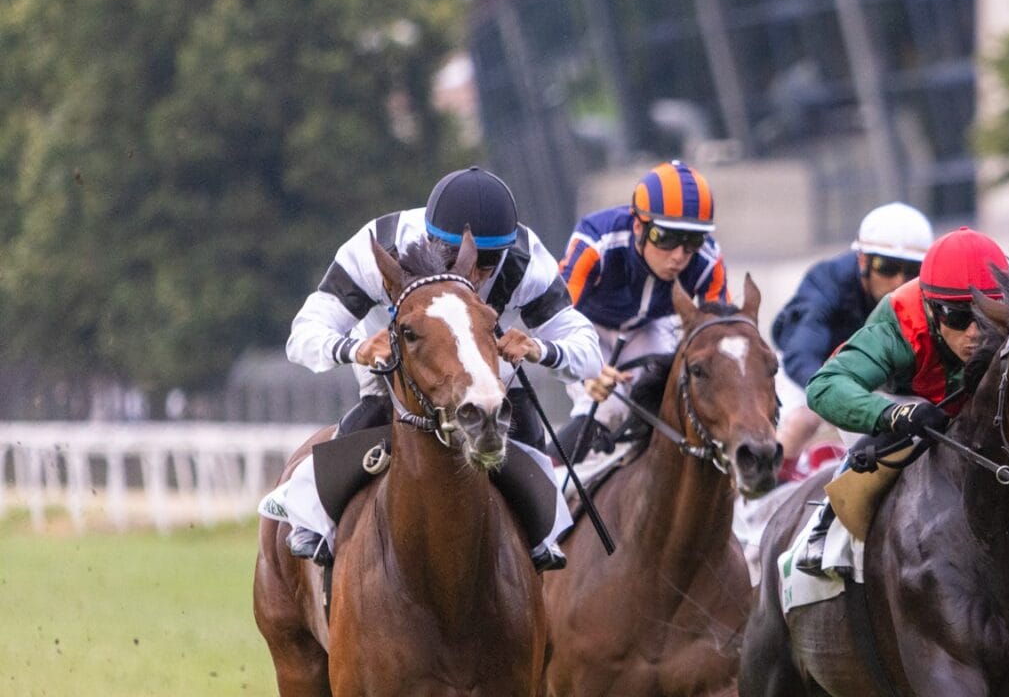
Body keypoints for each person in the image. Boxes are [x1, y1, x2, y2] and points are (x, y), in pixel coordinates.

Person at [283, 165, 603, 569]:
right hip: (396, 360)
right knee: (373, 419)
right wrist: (355, 349)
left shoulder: (526, 259)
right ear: (434, 240)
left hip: (485, 370)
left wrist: (540, 348)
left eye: (491, 260)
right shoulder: (378, 247)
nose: (481, 271)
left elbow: (588, 351)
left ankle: (542, 535)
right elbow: (303, 334)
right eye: (467, 257)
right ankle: (311, 516)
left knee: (527, 435)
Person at [554, 160, 728, 454]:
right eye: (666, 238)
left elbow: (721, 336)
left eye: (693, 240)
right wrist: (586, 372)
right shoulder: (596, 240)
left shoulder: (709, 261)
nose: (678, 256)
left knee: (671, 402)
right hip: (586, 326)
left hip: (648, 327)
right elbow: (555, 316)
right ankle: (554, 478)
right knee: (605, 409)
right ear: (639, 225)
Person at [805, 227, 1009, 470]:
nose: (974, 333)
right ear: (931, 308)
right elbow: (823, 386)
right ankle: (835, 506)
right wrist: (896, 414)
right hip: (896, 405)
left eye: (986, 315)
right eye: (957, 316)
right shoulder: (900, 326)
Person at [769, 201, 934, 473]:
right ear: (863, 261)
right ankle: (764, 491)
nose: (899, 282)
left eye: (912, 270)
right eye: (887, 266)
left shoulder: (927, 296)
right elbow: (802, 353)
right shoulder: (826, 281)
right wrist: (841, 394)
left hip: (878, 379)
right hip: (813, 374)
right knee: (806, 419)